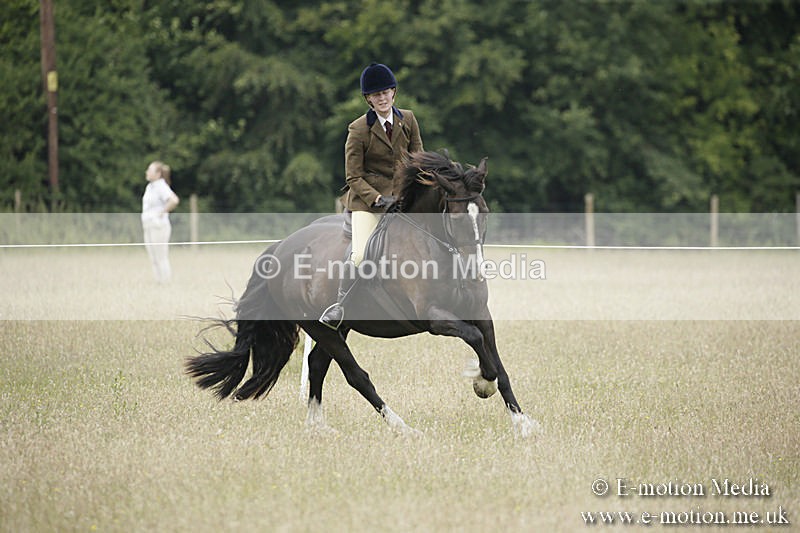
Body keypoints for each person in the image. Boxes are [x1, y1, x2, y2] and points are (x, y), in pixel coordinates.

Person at [319, 63, 424, 329]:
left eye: (385, 92)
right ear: (368, 99)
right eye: (375, 95)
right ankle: (340, 306)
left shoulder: (408, 119)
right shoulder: (358, 129)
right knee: (360, 254)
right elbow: (353, 177)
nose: (382, 98)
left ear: (393, 93)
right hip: (368, 202)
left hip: (402, 198)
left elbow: (417, 161)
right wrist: (377, 199)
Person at [141, 160, 179, 284]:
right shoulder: (150, 187)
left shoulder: (161, 186)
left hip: (159, 226)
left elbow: (174, 200)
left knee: (161, 256)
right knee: (153, 257)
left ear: (157, 174)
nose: (147, 172)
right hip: (148, 225)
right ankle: (158, 281)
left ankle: (166, 282)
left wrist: (162, 212)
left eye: (150, 170)